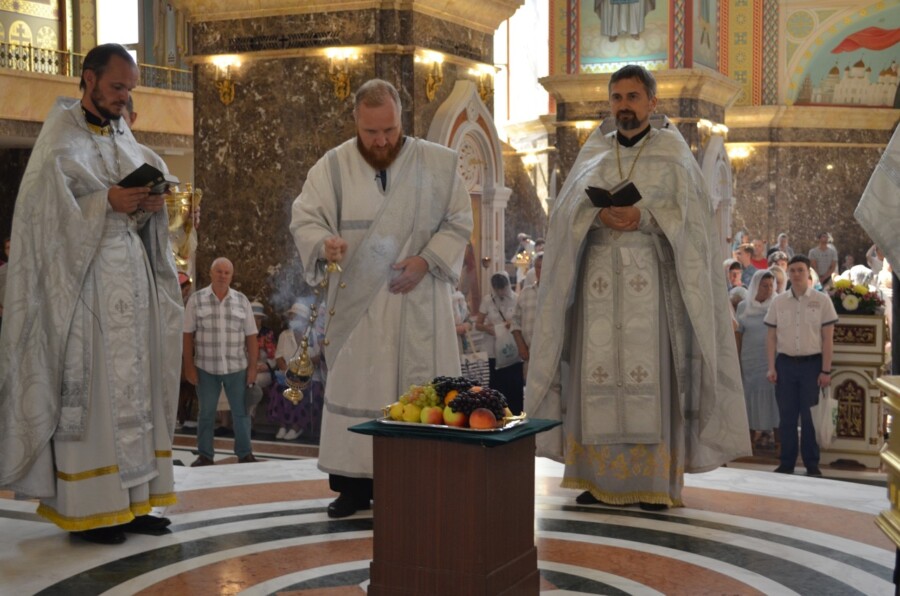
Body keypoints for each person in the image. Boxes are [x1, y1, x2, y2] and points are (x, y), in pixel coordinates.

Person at [526, 64, 749, 510]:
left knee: (651, 382)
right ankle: (595, 479)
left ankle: (653, 482)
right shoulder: (594, 151)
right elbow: (565, 215)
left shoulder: (673, 152)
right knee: (596, 378)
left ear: (652, 102)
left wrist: (645, 217)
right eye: (617, 97)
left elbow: (694, 223)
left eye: (632, 97)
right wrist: (593, 214)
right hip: (597, 287)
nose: (624, 105)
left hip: (651, 287)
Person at [0, 44, 183, 545]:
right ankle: (97, 508)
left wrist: (147, 204)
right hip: (86, 291)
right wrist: (106, 201)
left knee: (138, 391)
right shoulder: (59, 140)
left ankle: (136, 502)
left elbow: (132, 212)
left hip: (133, 284)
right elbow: (41, 223)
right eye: (117, 87)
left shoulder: (124, 133)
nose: (125, 97)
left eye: (130, 89)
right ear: (89, 78)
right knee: (99, 398)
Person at [290, 78, 473, 518]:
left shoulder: (437, 163)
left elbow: (459, 221)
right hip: (360, 315)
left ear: (401, 119)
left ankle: (422, 485)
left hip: (420, 304)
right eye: (371, 132)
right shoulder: (333, 167)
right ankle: (353, 489)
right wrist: (324, 245)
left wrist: (426, 261)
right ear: (356, 122)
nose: (381, 141)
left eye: (389, 130)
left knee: (421, 396)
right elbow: (305, 219)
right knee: (359, 389)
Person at [183, 257, 259, 466]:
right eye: (219, 271)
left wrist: (253, 367)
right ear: (211, 273)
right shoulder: (196, 300)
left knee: (241, 413)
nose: (222, 276)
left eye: (227, 273)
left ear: (231, 276)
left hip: (237, 367)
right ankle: (205, 455)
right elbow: (187, 334)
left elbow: (251, 335)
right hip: (206, 367)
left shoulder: (241, 301)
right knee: (206, 414)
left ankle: (245, 454)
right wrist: (188, 366)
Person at [765, 255, 837, 477]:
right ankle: (787, 462)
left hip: (811, 365)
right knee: (786, 416)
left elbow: (828, 339)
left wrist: (825, 370)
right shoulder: (778, 302)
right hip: (785, 364)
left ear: (808, 273)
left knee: (809, 417)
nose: (796, 274)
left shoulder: (822, 301)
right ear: (788, 273)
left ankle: (811, 464)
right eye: (793, 270)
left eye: (801, 270)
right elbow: (771, 337)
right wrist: (771, 367)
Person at [735, 270, 779, 452]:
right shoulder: (743, 307)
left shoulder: (777, 305)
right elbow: (738, 334)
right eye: (764, 285)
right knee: (749, 397)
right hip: (750, 359)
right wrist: (737, 359)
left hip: (770, 359)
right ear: (755, 285)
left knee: (773, 398)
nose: (768, 289)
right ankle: (748, 443)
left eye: (771, 286)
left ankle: (779, 443)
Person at [271, 301, 325, 441]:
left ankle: (297, 427)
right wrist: (287, 372)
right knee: (279, 388)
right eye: (291, 316)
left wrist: (302, 369)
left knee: (304, 389)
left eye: (296, 317)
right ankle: (283, 425)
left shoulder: (313, 335)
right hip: (288, 375)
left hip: (310, 376)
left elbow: (319, 357)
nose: (293, 319)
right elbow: (279, 357)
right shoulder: (284, 335)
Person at [476, 272, 525, 414]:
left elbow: (522, 321)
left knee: (514, 385)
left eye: (502, 288)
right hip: (493, 350)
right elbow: (478, 324)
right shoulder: (488, 300)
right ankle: (497, 413)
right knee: (496, 386)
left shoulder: (516, 299)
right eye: (497, 289)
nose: (500, 292)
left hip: (512, 350)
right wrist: (488, 328)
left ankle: (516, 413)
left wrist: (512, 324)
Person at [513, 252, 542, 381]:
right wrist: (521, 346)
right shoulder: (526, 292)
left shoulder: (559, 294)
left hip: (553, 356)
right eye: (538, 267)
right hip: (529, 355)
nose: (541, 271)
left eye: (544, 267)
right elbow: (515, 321)